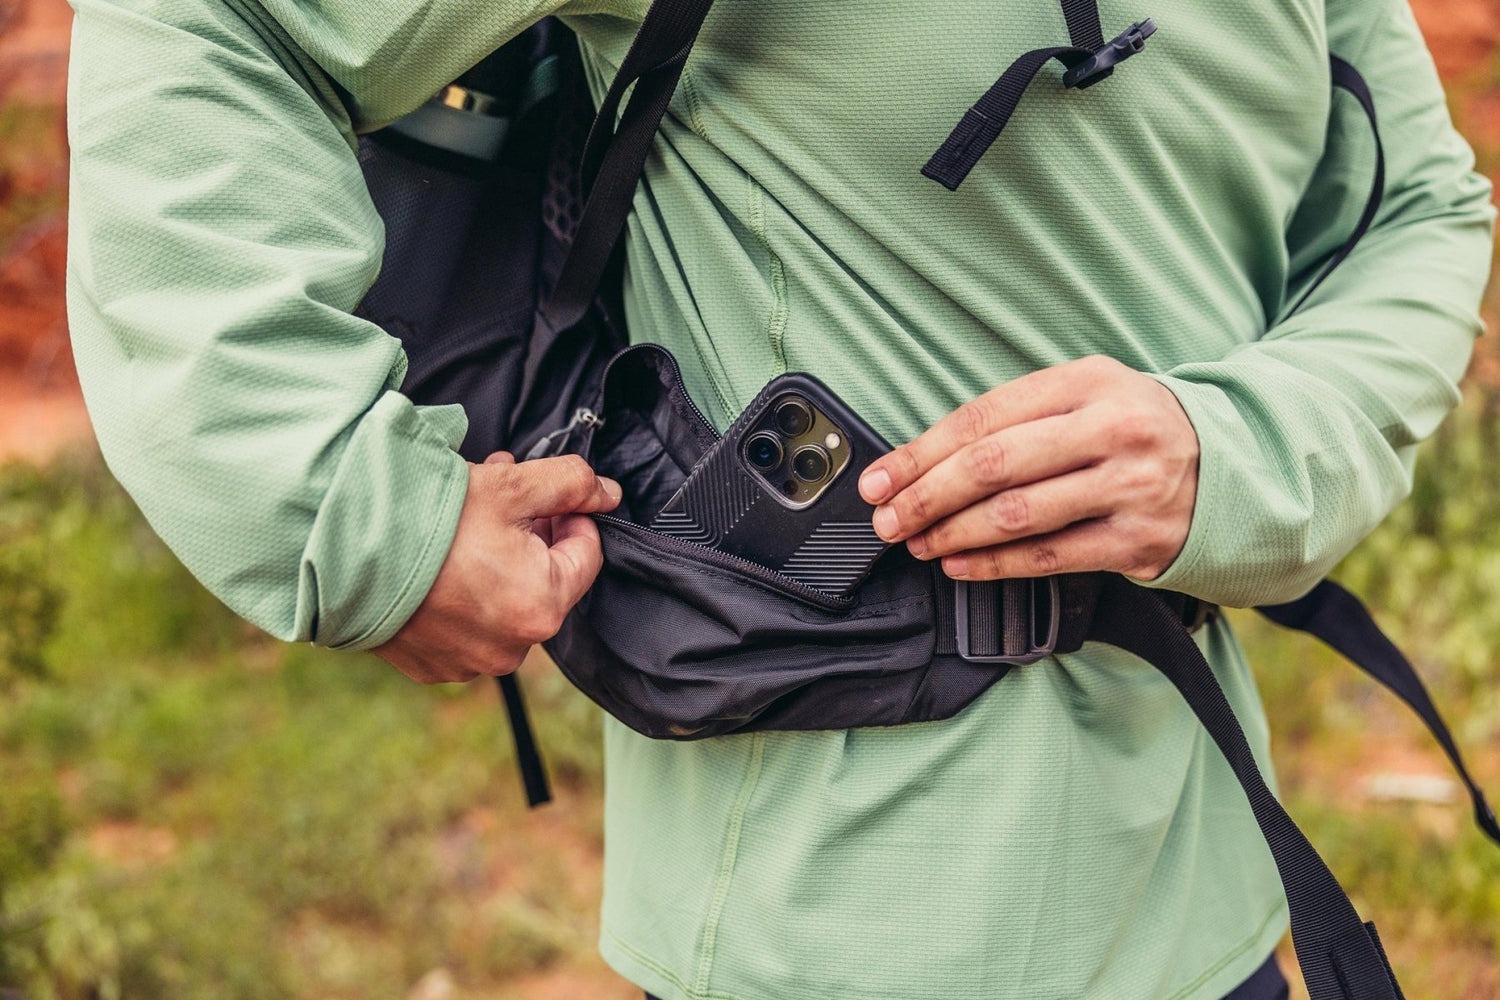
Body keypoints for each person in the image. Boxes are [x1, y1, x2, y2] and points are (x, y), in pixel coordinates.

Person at [65, 0, 1493, 996]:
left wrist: (1237, 449)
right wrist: (348, 513)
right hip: (821, 933)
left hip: (1208, 895)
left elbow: (1417, 210)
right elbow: (211, 19)